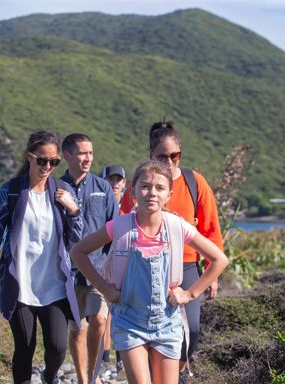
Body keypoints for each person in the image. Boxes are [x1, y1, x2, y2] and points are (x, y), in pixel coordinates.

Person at [70, 160, 228, 384]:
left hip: (167, 320)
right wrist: (104, 288)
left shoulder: (177, 226)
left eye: (160, 188)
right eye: (145, 186)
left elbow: (219, 259)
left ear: (169, 195)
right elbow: (78, 252)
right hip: (129, 320)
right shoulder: (120, 226)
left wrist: (190, 294)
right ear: (133, 191)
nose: (152, 193)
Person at [120, 120, 224, 383]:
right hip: (143, 266)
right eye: (163, 156)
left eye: (175, 155)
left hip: (186, 265)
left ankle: (175, 374)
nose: (170, 161)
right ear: (151, 154)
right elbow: (122, 227)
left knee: (192, 329)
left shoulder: (194, 182)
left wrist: (212, 276)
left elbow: (211, 228)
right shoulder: (141, 185)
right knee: (146, 328)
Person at [0, 130, 83, 384]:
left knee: (58, 347)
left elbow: (79, 239)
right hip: (20, 284)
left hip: (54, 285)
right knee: (25, 347)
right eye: (42, 160)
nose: (48, 166)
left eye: (54, 162)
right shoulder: (11, 192)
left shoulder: (63, 191)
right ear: (29, 157)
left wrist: (73, 209)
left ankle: (50, 376)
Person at [60, 134, 119, 384]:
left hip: (98, 270)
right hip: (68, 273)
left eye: (91, 153)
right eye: (83, 153)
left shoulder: (103, 187)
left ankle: (93, 377)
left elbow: (115, 228)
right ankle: (84, 380)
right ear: (68, 155)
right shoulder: (56, 187)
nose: (88, 158)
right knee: (76, 329)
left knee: (98, 320)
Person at [101, 163, 127, 377]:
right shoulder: (100, 205)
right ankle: (103, 358)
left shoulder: (131, 207)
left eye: (118, 179)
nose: (115, 183)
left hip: (125, 266)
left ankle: (120, 361)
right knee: (104, 314)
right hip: (103, 265)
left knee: (121, 312)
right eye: (111, 179)